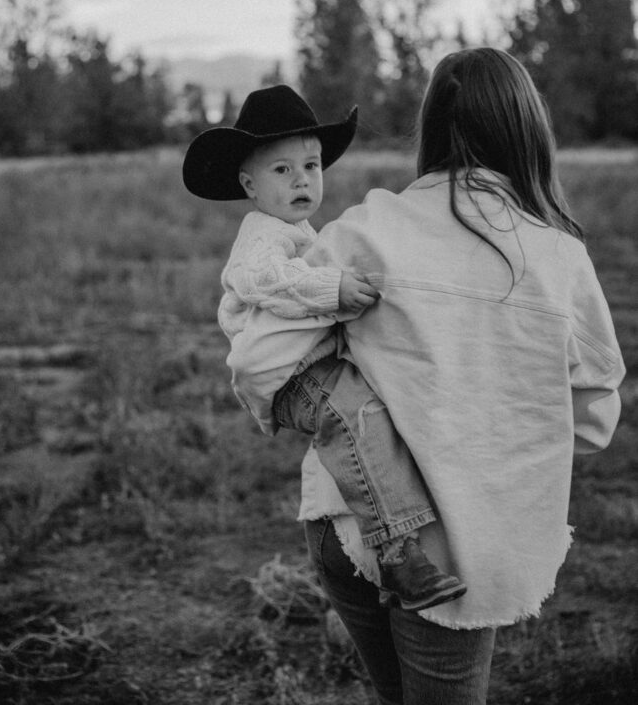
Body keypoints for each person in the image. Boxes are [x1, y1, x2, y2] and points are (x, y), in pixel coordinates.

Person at [224, 50, 625, 705]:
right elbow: (592, 423)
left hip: (341, 525)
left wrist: (326, 406)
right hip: (466, 541)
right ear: (525, 128)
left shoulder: (363, 228)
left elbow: (257, 361)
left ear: (430, 127)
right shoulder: (559, 257)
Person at [182, 84, 466, 611]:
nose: (301, 180)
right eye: (282, 170)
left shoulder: (303, 230)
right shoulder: (261, 235)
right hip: (284, 375)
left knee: (373, 411)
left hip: (308, 364)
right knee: (353, 414)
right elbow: (261, 280)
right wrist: (330, 288)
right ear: (249, 184)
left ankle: (396, 543)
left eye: (311, 166)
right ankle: (398, 550)